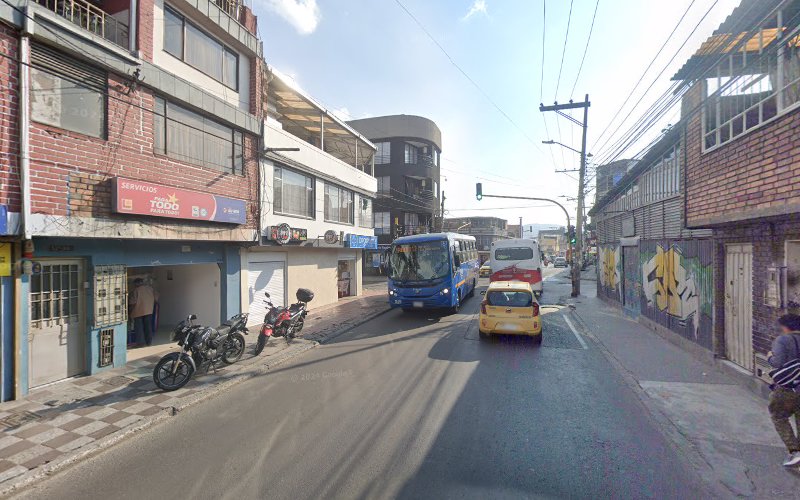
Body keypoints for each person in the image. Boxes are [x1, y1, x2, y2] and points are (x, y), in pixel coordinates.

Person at [768, 314, 800, 467]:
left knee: (778, 416)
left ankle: (794, 451)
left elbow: (777, 362)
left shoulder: (783, 340)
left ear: (785, 326)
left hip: (788, 388)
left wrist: (769, 357)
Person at [129, 278, 158, 347]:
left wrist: (130, 312)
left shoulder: (136, 290)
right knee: (148, 327)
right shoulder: (150, 288)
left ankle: (141, 343)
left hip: (138, 312)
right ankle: (149, 342)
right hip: (149, 311)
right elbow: (156, 297)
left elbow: (132, 302)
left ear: (136, 283)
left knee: (139, 328)